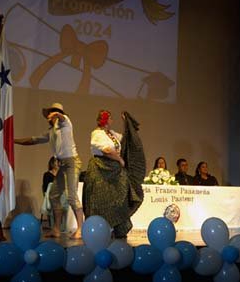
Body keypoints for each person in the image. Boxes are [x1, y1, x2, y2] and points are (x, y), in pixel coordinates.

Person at [14, 102, 84, 239]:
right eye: (50, 113)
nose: (50, 116)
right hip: (62, 165)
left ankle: (80, 229)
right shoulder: (51, 132)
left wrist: (57, 114)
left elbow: (62, 118)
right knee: (54, 195)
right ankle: (56, 229)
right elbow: (32, 140)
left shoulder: (65, 123)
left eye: (53, 113)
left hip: (72, 162)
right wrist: (14, 141)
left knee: (71, 196)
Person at [83, 110, 146, 238]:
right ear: (105, 120)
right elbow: (106, 150)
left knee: (120, 197)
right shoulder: (97, 133)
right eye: (110, 118)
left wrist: (127, 123)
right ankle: (101, 229)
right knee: (100, 200)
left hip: (114, 170)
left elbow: (126, 140)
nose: (112, 120)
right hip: (100, 169)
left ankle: (116, 227)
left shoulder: (111, 134)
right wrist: (120, 159)